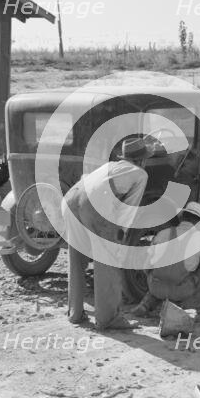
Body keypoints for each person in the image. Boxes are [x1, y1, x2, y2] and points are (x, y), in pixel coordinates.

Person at [61, 137, 152, 330]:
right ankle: (108, 319)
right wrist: (121, 235)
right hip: (93, 203)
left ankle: (75, 313)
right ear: (142, 160)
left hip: (71, 198)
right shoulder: (140, 174)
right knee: (107, 261)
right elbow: (129, 207)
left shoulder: (110, 166)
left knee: (76, 258)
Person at [131, 201, 200, 315]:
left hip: (156, 288)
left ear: (182, 217)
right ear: (198, 223)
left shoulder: (162, 234)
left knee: (159, 274)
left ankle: (146, 304)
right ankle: (186, 309)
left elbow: (145, 267)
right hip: (181, 290)